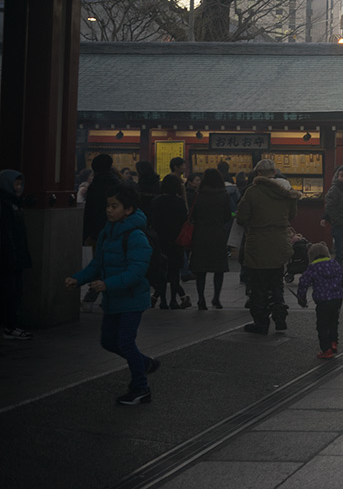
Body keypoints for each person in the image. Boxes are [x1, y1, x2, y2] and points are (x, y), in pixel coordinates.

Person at [66, 184, 160, 404]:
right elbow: (97, 264)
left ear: (128, 210)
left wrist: (108, 284)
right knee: (108, 341)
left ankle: (141, 388)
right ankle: (144, 363)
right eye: (108, 205)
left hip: (132, 298)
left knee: (126, 342)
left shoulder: (136, 236)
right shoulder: (107, 233)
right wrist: (78, 279)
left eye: (114, 206)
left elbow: (136, 272)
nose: (109, 210)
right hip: (113, 298)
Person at [237, 159, 299, 333]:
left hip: (258, 242)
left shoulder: (252, 192)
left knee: (258, 285)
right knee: (276, 282)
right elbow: (292, 215)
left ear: (258, 174)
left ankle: (261, 322)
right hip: (279, 240)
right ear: (274, 173)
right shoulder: (286, 192)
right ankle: (280, 319)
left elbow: (241, 217)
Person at [81, 154, 123, 312]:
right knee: (112, 264)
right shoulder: (117, 184)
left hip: (97, 231)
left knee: (99, 264)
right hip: (115, 229)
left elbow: (90, 211)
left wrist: (86, 233)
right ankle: (108, 297)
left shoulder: (95, 185)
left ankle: (92, 297)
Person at [296, 242, 343, 359]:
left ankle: (326, 349)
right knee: (333, 322)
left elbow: (303, 283)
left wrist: (301, 298)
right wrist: (342, 290)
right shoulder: (334, 264)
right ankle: (334, 342)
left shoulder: (313, 268)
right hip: (337, 300)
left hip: (323, 301)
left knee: (322, 325)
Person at [189, 169, 231, 310]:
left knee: (201, 269)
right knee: (218, 269)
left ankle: (201, 299)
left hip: (200, 234)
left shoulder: (198, 195)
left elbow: (192, 215)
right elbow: (227, 216)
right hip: (218, 234)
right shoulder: (224, 195)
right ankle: (216, 298)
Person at [149, 174, 191, 310]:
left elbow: (151, 220)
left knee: (161, 271)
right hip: (175, 240)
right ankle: (173, 300)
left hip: (159, 240)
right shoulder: (179, 202)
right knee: (174, 272)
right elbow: (184, 220)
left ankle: (162, 301)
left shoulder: (156, 201)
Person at [1, 170, 33, 340]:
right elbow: (6, 234)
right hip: (9, 256)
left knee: (15, 290)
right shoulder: (5, 205)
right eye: (16, 184)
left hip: (15, 254)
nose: (19, 187)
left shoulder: (15, 203)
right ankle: (9, 326)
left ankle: (11, 324)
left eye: (21, 184)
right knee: (10, 291)